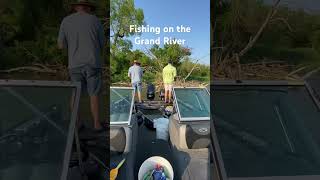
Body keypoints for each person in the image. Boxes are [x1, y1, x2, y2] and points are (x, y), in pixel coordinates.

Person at [58, 0, 105, 130]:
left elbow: (60, 45)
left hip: (74, 65)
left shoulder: (66, 21)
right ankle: (96, 124)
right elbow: (102, 43)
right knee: (93, 94)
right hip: (92, 63)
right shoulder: (95, 20)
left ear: (75, 7)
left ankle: (76, 123)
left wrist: (72, 46)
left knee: (75, 94)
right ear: (88, 7)